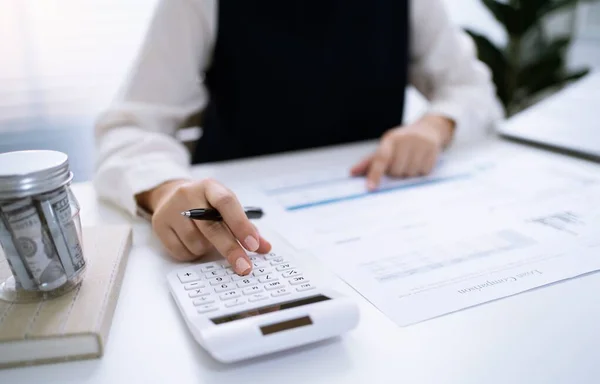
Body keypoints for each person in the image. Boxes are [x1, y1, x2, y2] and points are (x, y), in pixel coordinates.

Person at [94, 0, 503, 275]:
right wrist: (167, 189)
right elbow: (131, 126)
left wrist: (435, 125)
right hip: (238, 241)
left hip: (374, 233)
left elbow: (472, 89)